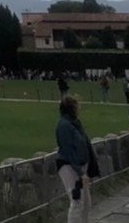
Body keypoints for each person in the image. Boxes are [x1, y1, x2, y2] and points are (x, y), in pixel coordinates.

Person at [55, 94, 99, 223]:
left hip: (80, 165)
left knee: (86, 203)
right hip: (69, 166)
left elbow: (85, 143)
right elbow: (68, 150)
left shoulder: (74, 123)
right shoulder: (65, 126)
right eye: (77, 105)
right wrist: (80, 172)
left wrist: (88, 168)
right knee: (77, 200)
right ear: (71, 108)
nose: (79, 108)